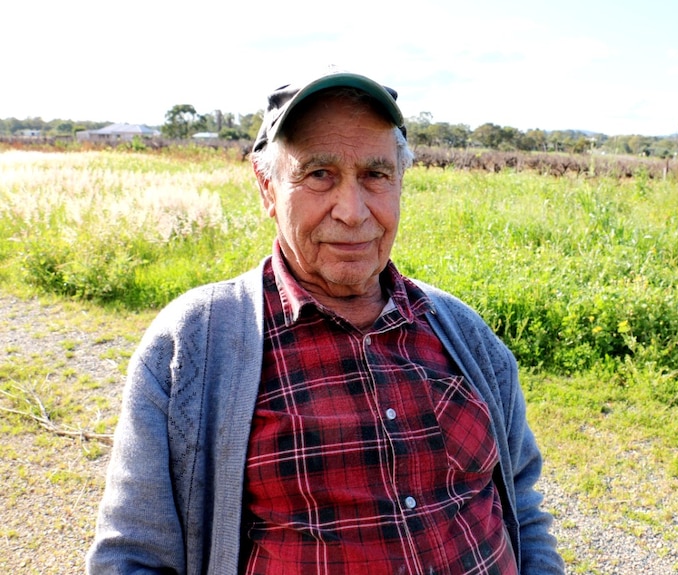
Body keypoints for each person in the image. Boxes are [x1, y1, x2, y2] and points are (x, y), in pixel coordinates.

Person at [86, 68, 564, 575]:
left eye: (376, 175)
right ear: (267, 186)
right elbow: (133, 557)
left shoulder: (464, 334)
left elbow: (522, 504)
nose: (353, 211)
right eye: (319, 174)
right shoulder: (193, 347)